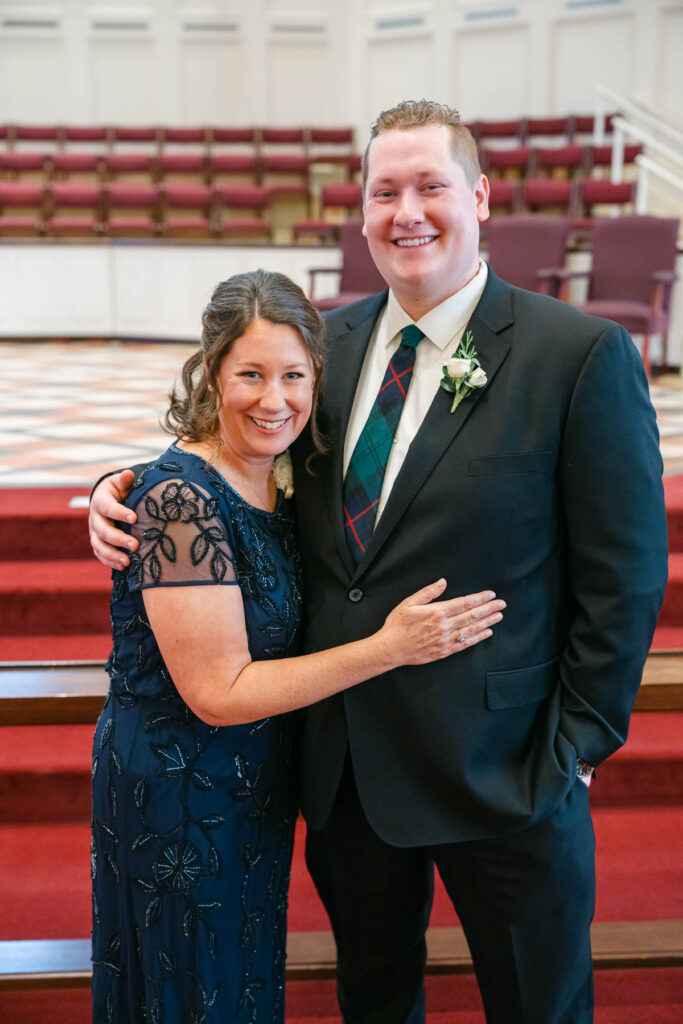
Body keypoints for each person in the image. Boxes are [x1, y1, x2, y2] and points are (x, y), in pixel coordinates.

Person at [89, 102, 668, 1024]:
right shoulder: (331, 344)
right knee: (374, 997)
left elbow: (627, 574)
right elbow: (236, 458)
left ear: (477, 197)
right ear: (360, 210)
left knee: (538, 1006)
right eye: (384, 191)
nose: (407, 211)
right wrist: (118, 488)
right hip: (347, 770)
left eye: (430, 186)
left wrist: (574, 751)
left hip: (504, 771)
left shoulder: (576, 355)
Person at [89, 267, 504, 1023]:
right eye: (249, 374)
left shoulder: (282, 476)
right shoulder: (179, 501)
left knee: (236, 979)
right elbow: (218, 692)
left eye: (293, 376)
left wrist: (110, 483)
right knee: (190, 986)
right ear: (212, 372)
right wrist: (389, 647)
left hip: (251, 789)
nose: (272, 400)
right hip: (179, 788)